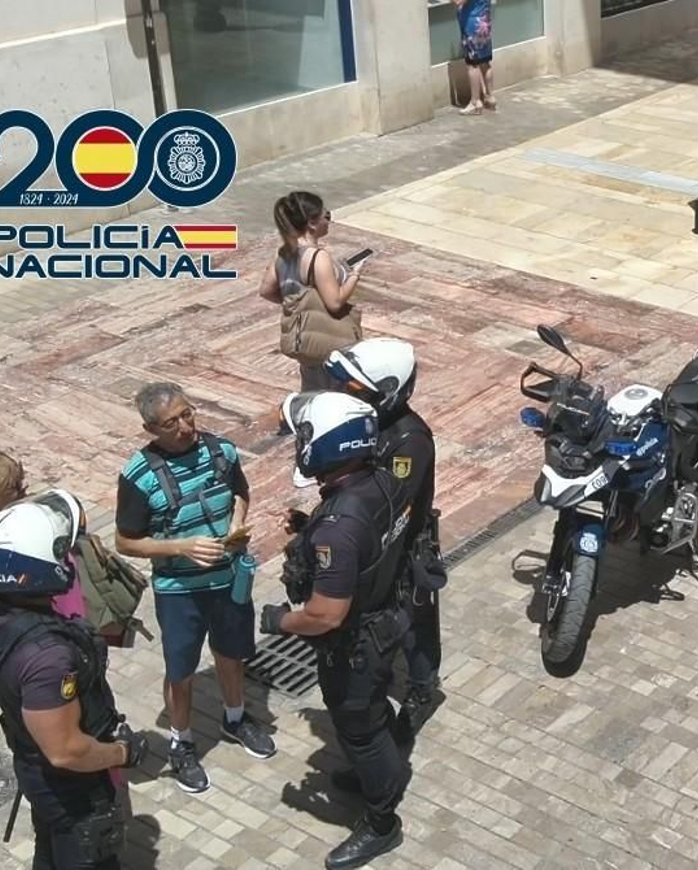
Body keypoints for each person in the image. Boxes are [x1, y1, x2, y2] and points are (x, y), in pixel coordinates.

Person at [260, 391, 413, 869]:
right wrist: (312, 527)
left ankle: (381, 822)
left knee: (358, 726)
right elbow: (368, 540)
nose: (300, 444)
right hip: (387, 618)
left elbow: (325, 614)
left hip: (355, 643)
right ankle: (384, 769)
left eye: (307, 437)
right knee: (371, 718)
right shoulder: (383, 480)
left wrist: (278, 621)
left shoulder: (338, 528)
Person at [0, 489, 148, 869]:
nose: (67, 559)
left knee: (49, 852)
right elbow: (66, 750)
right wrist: (123, 753)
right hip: (73, 793)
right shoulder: (48, 656)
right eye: (59, 551)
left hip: (36, 774)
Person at [114, 382, 275, 794]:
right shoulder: (138, 476)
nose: (186, 427)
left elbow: (240, 491)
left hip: (228, 578)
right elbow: (125, 541)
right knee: (180, 670)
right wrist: (181, 547)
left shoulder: (221, 451)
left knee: (231, 652)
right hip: (179, 590)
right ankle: (181, 742)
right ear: (152, 429)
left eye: (189, 414)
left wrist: (238, 521)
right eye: (173, 423)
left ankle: (235, 717)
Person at [326, 339, 447, 734]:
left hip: (404, 547)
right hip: (372, 546)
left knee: (416, 623)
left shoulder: (409, 440)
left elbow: (389, 497)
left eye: (356, 390)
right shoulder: (364, 425)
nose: (346, 395)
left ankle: (423, 688)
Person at [0, 449, 86, 620]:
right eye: (14, 486)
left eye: (21, 480)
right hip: (54, 630)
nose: (23, 489)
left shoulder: (31, 521)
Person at [258, 191, 367, 393]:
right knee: (339, 394)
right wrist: (354, 276)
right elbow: (334, 302)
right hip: (330, 340)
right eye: (327, 217)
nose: (329, 221)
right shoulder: (318, 257)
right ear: (312, 224)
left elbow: (266, 290)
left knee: (313, 392)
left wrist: (294, 300)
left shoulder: (284, 254)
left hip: (304, 339)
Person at [454, 0, 495, 115]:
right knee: (485, 61)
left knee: (472, 64)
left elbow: (459, 2)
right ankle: (490, 97)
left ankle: (475, 101)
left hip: (472, 26)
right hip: (483, 22)